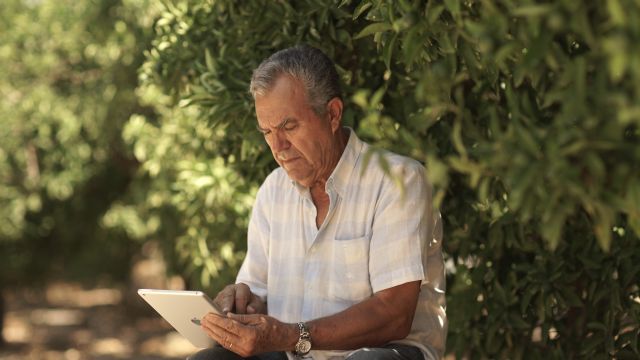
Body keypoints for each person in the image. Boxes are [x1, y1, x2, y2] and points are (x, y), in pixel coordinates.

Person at [189, 45, 446, 360]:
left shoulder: (397, 180)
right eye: (267, 131)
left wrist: (293, 336)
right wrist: (242, 303)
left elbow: (393, 314)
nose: (278, 146)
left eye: (289, 126)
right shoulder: (272, 191)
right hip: (291, 353)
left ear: (333, 114)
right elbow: (256, 291)